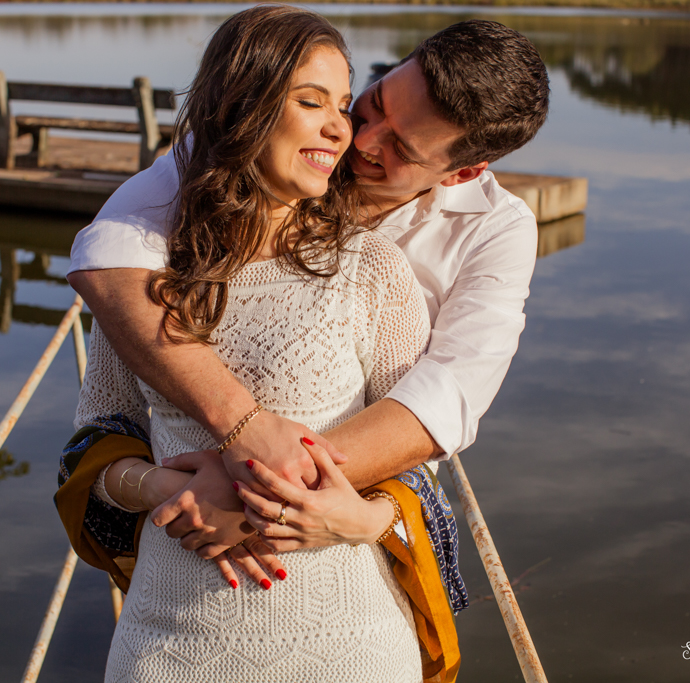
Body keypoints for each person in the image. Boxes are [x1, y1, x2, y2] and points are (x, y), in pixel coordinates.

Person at [60, 6, 452, 681]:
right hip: (168, 646)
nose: (341, 128)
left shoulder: (371, 270)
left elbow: (418, 471)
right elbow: (91, 446)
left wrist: (350, 515)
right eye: (310, 102)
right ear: (242, 104)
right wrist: (160, 485)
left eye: (342, 104)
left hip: (348, 647)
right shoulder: (144, 272)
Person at [66, 17, 550, 562]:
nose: (360, 139)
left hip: (348, 519)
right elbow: (108, 256)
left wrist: (260, 485)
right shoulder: (250, 149)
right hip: (191, 520)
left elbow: (449, 395)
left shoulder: (497, 230)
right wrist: (242, 433)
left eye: (400, 147)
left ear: (462, 173)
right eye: (376, 103)